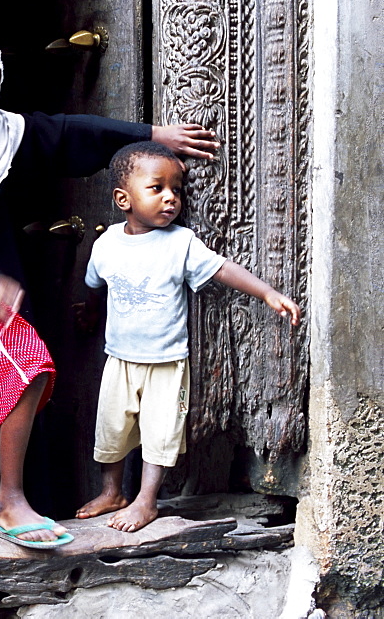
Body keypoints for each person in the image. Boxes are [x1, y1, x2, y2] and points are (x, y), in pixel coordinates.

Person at [0, 33, 220, 548]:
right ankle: (2, 505)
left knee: (24, 370)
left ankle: (9, 501)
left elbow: (70, 134)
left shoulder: (2, 135)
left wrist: (153, 134)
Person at [76, 140, 301, 532]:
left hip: (166, 360)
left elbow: (222, 270)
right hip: (121, 358)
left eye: (176, 190)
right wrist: (90, 314)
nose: (170, 199)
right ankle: (111, 491)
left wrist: (267, 292)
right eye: (157, 188)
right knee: (111, 428)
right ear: (122, 199)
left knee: (160, 434)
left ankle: (146, 500)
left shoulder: (179, 242)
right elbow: (97, 285)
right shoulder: (106, 244)